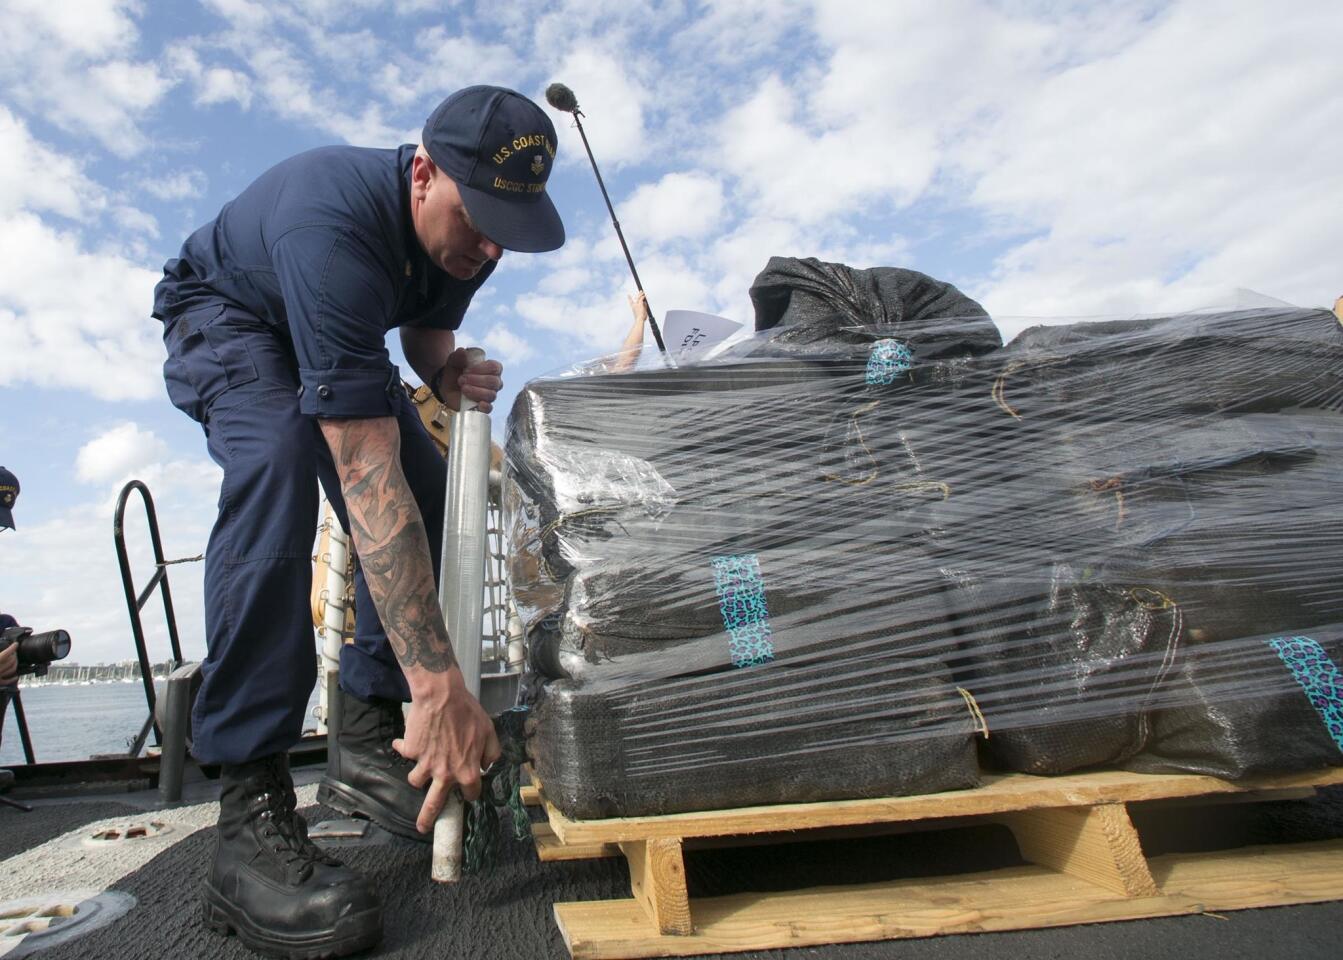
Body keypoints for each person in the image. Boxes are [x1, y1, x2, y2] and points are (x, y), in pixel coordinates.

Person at [152, 86, 564, 957]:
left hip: (335, 333)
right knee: (276, 464)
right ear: (422, 172)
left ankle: (371, 745)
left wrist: (446, 372)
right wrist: (440, 685)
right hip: (229, 315)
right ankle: (248, 806)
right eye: (479, 219)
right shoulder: (331, 226)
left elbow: (424, 327)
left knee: (434, 480)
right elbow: (363, 480)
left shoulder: (477, 234)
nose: (491, 246)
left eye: (507, 227)